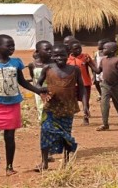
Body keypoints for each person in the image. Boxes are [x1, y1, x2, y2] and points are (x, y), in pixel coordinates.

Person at [0, 34, 47, 176]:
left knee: (9, 137)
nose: (12, 48)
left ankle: (9, 166)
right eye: (8, 46)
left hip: (13, 104)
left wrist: (38, 91)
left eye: (13, 45)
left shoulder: (16, 63)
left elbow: (22, 82)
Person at [35, 44, 86, 172]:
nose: (59, 58)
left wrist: (85, 105)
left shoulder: (75, 70)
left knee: (66, 135)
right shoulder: (47, 68)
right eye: (55, 55)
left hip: (68, 108)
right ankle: (44, 162)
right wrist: (43, 94)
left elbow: (82, 87)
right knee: (45, 131)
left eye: (62, 55)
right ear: (52, 56)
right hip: (51, 107)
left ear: (68, 54)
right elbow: (38, 84)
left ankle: (66, 162)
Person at [89, 42, 118, 131]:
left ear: (112, 50)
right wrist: (90, 63)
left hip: (116, 85)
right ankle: (105, 124)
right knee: (104, 104)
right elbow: (97, 71)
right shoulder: (103, 60)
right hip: (105, 85)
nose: (102, 50)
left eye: (105, 48)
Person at [67, 40, 94, 125]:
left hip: (85, 83)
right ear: (71, 50)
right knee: (71, 102)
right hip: (72, 85)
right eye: (76, 49)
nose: (78, 50)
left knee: (85, 102)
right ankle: (69, 119)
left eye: (80, 48)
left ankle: (86, 118)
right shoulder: (67, 60)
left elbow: (94, 68)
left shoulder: (85, 57)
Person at [27, 41, 53, 122]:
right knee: (41, 107)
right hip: (39, 89)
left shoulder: (54, 63)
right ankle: (43, 123)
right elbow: (33, 77)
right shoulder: (32, 65)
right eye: (46, 49)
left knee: (52, 106)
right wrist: (37, 89)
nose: (49, 51)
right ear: (38, 51)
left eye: (51, 49)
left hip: (52, 88)